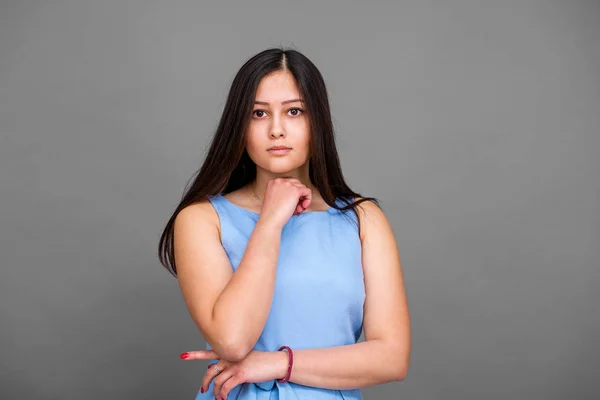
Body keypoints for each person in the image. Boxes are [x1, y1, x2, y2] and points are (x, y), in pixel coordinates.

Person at [157, 47, 410, 400]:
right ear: (240, 127)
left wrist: (277, 364)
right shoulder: (202, 219)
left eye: (294, 111)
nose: (276, 129)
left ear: (316, 122)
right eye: (259, 113)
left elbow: (392, 358)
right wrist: (271, 220)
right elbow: (232, 340)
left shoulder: (363, 219)